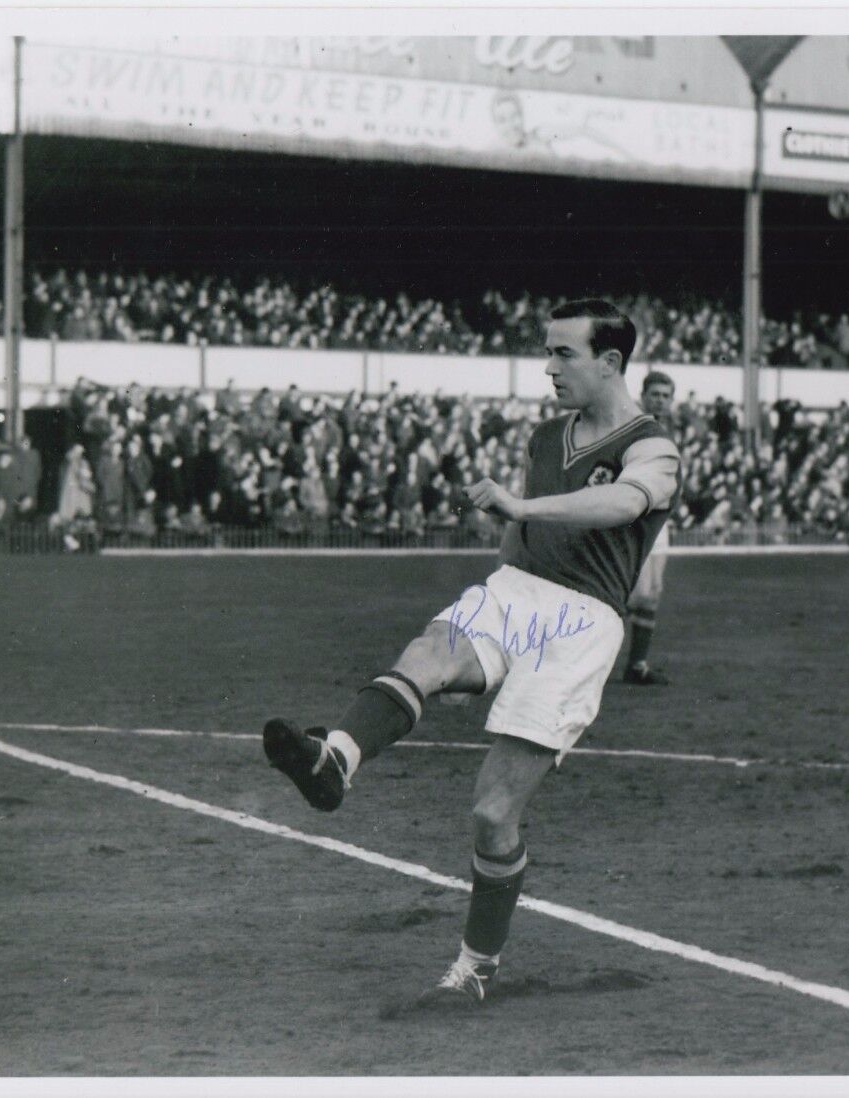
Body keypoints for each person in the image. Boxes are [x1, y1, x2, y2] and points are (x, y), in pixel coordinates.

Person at [262, 299, 681, 1009]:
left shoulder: (655, 445)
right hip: (519, 587)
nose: (548, 368)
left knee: (492, 812)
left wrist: (523, 508)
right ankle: (335, 761)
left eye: (563, 354)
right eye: (546, 351)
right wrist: (507, 546)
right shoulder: (548, 435)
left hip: (584, 622)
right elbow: (518, 543)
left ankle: (477, 966)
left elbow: (624, 504)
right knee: (430, 651)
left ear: (610, 362)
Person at [622, 370, 678, 685]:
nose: (659, 400)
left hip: (659, 520)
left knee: (652, 593)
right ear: (643, 396)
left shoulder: (667, 432)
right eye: (654, 394)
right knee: (634, 594)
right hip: (634, 521)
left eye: (665, 395)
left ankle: (637, 665)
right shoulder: (632, 428)